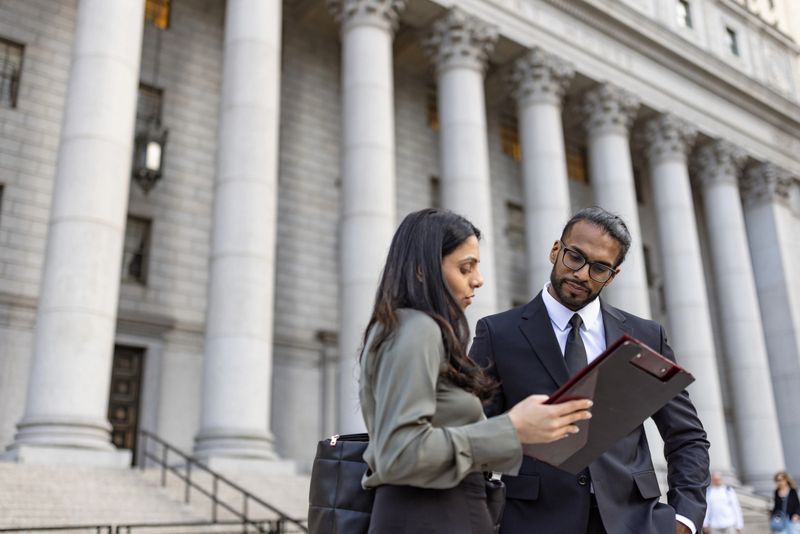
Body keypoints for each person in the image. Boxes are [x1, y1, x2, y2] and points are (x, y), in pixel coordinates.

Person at [470, 206, 710, 534]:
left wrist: (685, 517)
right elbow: (472, 430)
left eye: (599, 268)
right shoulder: (498, 333)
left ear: (613, 275)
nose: (582, 274)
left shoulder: (645, 335)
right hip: (532, 521)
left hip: (634, 521)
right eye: (575, 257)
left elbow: (686, 434)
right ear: (556, 250)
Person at [358, 208, 593, 533]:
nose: (478, 280)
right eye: (465, 268)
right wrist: (512, 428)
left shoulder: (406, 327)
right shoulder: (417, 329)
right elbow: (399, 453)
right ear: (421, 270)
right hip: (429, 515)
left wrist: (525, 433)